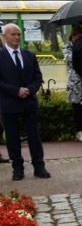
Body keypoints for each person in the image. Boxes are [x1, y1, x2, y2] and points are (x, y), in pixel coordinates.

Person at [0, 24, 50, 180]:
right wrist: (16, 91)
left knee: (34, 136)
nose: (17, 37)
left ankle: (39, 166)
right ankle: (18, 168)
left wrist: (29, 89)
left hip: (29, 102)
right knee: (13, 137)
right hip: (9, 103)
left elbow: (38, 77)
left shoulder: (29, 55)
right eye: (13, 34)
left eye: (19, 34)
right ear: (4, 37)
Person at [64, 26, 82, 143]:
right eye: (76, 37)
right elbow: (70, 59)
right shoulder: (67, 47)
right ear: (72, 36)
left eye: (80, 37)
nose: (78, 39)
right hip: (74, 82)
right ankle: (79, 130)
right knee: (77, 108)